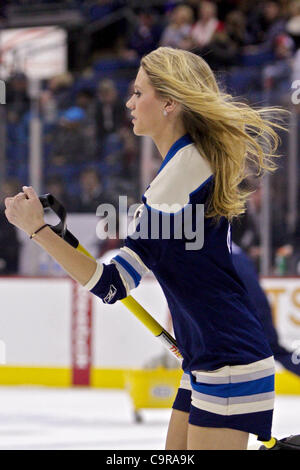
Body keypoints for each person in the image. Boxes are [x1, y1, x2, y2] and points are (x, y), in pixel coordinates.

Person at [4, 47, 286, 450]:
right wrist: (53, 235)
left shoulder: (180, 174)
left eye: (139, 93)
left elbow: (112, 285)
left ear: (170, 102)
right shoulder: (188, 162)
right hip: (209, 358)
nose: (129, 102)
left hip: (227, 360)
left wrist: (37, 231)